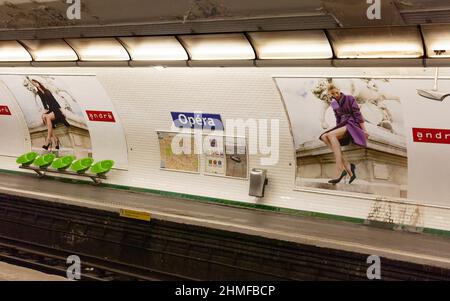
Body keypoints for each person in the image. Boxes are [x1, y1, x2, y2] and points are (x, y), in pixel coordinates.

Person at [319, 84, 368, 184]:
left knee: (330, 135)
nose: (336, 95)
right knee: (324, 136)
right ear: (329, 94)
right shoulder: (333, 103)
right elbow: (337, 118)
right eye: (332, 94)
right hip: (342, 125)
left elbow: (358, 114)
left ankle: (340, 169)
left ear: (339, 90)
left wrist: (364, 130)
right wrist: (338, 130)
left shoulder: (349, 98)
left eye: (337, 92)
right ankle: (349, 167)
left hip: (352, 124)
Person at [31, 79, 70, 150]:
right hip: (51, 110)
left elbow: (54, 100)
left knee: (47, 118)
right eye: (33, 84)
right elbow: (44, 104)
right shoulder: (39, 93)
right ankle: (55, 140)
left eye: (35, 82)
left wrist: (61, 110)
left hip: (56, 109)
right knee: (44, 117)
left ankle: (48, 140)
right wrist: (44, 113)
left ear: (38, 82)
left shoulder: (46, 90)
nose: (35, 84)